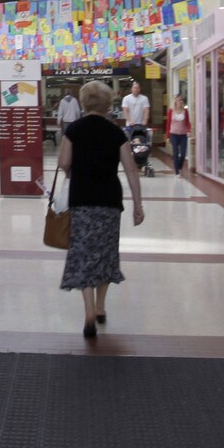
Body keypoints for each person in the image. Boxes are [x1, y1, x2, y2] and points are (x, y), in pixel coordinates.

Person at [57, 81, 145, 339]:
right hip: (109, 200)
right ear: (108, 104)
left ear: (84, 102)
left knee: (84, 253)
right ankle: (100, 307)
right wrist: (138, 205)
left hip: (81, 199)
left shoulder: (74, 129)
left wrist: (73, 170)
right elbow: (131, 169)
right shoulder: (115, 132)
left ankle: (88, 314)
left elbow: (64, 162)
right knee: (105, 253)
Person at [120, 80, 152, 149]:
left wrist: (145, 120)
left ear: (140, 89)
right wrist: (129, 121)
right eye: (134, 88)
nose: (136, 89)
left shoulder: (144, 98)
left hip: (141, 124)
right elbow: (125, 111)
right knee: (129, 142)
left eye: (137, 88)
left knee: (143, 140)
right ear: (131, 89)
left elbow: (146, 110)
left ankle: (142, 152)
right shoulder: (126, 98)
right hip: (130, 125)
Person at [166, 93, 191, 176]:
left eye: (181, 100)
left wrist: (188, 130)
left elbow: (188, 122)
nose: (180, 102)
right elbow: (168, 124)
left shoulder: (185, 111)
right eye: (178, 100)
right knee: (176, 152)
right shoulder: (171, 111)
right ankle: (177, 172)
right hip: (174, 134)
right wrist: (168, 136)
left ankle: (180, 166)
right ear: (175, 101)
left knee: (183, 154)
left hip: (183, 134)